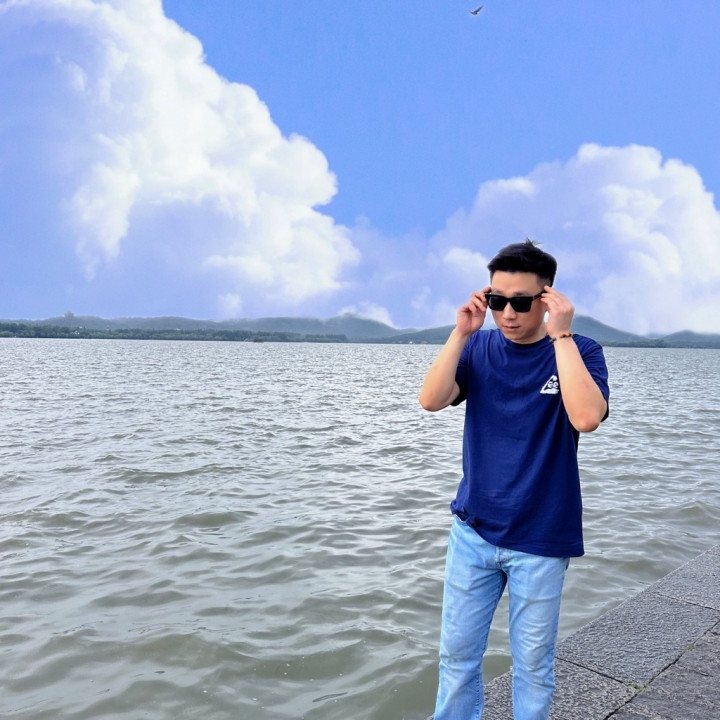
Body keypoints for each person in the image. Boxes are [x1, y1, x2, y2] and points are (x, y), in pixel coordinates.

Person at [419, 239, 609, 720]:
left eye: (521, 302)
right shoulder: (478, 347)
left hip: (542, 538)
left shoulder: (581, 351)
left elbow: (586, 417)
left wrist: (561, 338)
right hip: (473, 532)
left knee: (533, 666)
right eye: (497, 300)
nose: (507, 313)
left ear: (548, 300)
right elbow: (431, 400)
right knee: (456, 659)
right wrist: (460, 333)